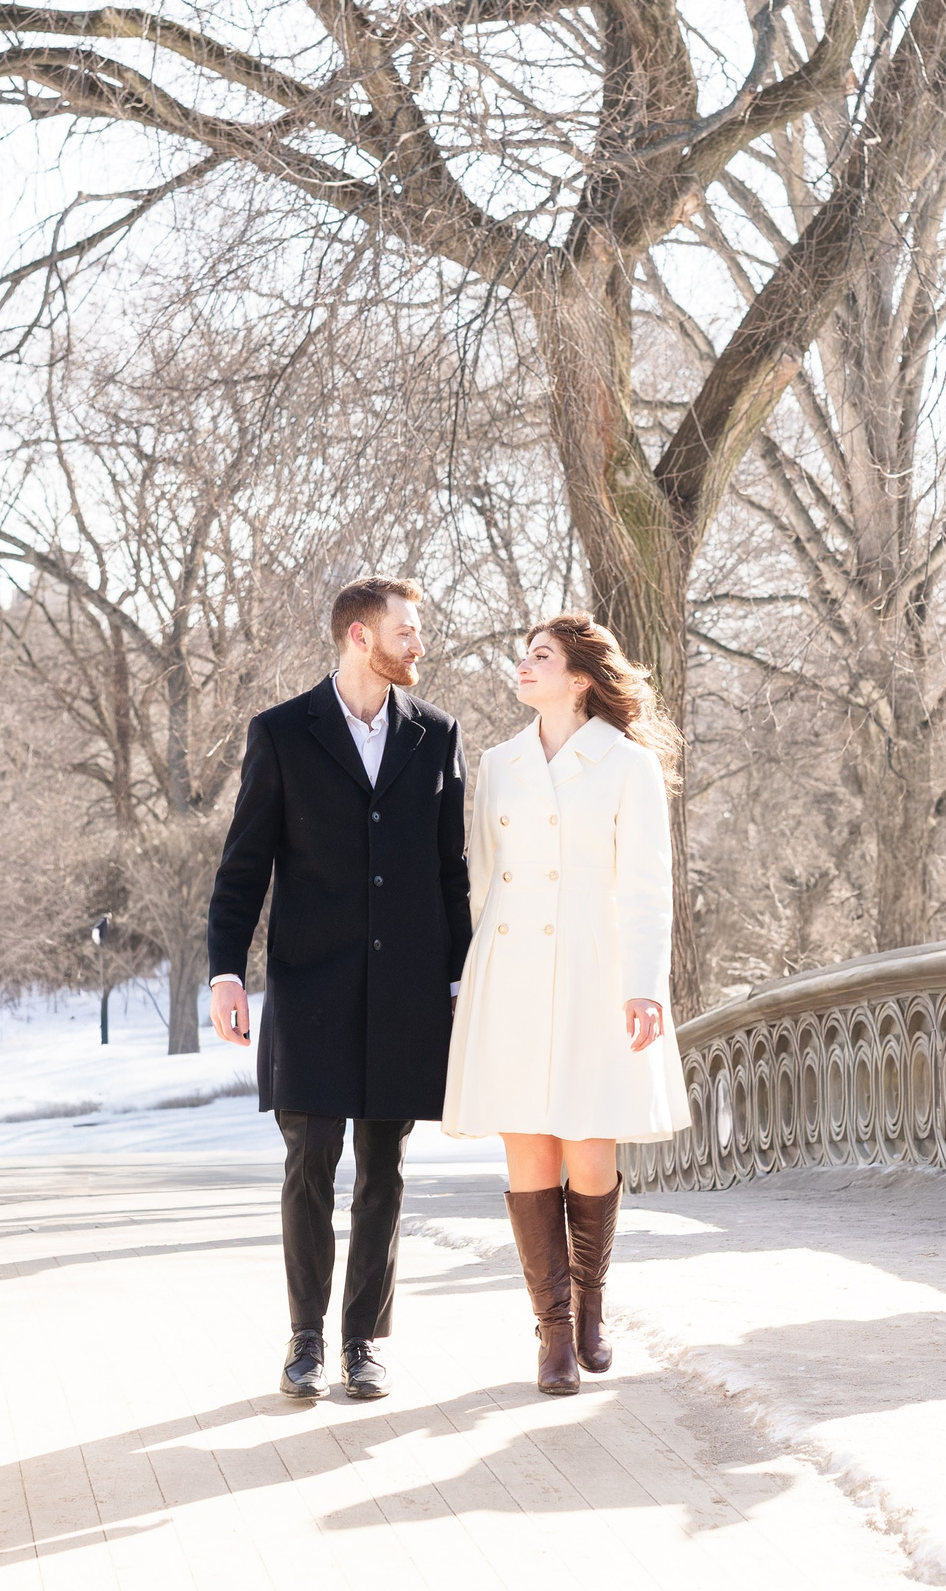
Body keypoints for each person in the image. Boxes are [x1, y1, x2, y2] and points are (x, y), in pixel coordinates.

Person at [206, 577, 471, 1403]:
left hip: (407, 994)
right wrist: (225, 971)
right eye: (408, 629)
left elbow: (449, 873)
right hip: (308, 987)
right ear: (361, 636)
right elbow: (244, 865)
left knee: (383, 1169)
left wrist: (462, 979)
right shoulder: (283, 733)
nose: (418, 643)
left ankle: (364, 1341)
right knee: (309, 1164)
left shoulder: (437, 736)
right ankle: (306, 1338)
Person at [443, 612, 690, 1395]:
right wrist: (469, 977)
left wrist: (645, 985)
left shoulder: (625, 764)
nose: (524, 665)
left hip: (595, 968)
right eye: (524, 654)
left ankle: (589, 1307)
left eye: (540, 656)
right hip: (512, 968)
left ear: (579, 676)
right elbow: (481, 879)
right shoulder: (499, 762)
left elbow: (650, 887)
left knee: (588, 1150)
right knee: (528, 1151)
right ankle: (551, 1336)